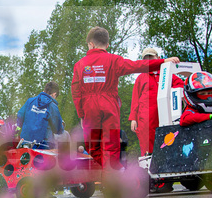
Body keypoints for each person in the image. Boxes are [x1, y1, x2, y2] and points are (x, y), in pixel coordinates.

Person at [72, 27, 179, 168]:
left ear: (91, 44)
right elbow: (137, 66)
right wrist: (162, 62)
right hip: (109, 104)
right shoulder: (113, 60)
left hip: (89, 107)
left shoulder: (80, 65)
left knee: (93, 146)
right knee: (111, 145)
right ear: (107, 44)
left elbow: (76, 91)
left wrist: (81, 113)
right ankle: (113, 173)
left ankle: (110, 172)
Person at [129, 47, 185, 156]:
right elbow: (135, 99)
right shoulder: (141, 78)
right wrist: (133, 119)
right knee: (147, 143)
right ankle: (148, 166)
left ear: (158, 58)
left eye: (152, 57)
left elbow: (182, 86)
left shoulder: (167, 75)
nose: (150, 60)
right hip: (146, 118)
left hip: (165, 115)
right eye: (146, 59)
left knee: (167, 138)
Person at [17, 81, 64, 149]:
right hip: (44, 145)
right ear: (54, 94)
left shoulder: (30, 101)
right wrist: (61, 126)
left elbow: (20, 116)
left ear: (44, 91)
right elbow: (57, 129)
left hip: (25, 142)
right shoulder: (52, 106)